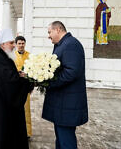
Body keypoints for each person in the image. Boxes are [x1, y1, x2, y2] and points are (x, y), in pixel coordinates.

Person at [0, 29, 33, 149]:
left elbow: (9, 76)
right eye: (11, 43)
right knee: (1, 136)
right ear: (3, 44)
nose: (14, 45)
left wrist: (18, 74)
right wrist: (27, 82)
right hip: (1, 108)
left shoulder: (4, 56)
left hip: (3, 104)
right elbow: (10, 83)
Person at [42, 21, 88, 149]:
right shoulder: (62, 44)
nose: (48, 36)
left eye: (49, 32)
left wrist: (49, 82)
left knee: (66, 141)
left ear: (58, 29)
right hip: (62, 103)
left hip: (67, 103)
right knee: (61, 139)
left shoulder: (71, 45)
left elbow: (71, 72)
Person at [14, 36, 32, 138]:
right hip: (15, 87)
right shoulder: (12, 56)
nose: (21, 45)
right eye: (19, 43)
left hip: (26, 86)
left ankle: (27, 132)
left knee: (26, 109)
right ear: (16, 44)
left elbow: (33, 71)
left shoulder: (29, 56)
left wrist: (31, 86)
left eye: (23, 43)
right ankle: (16, 131)